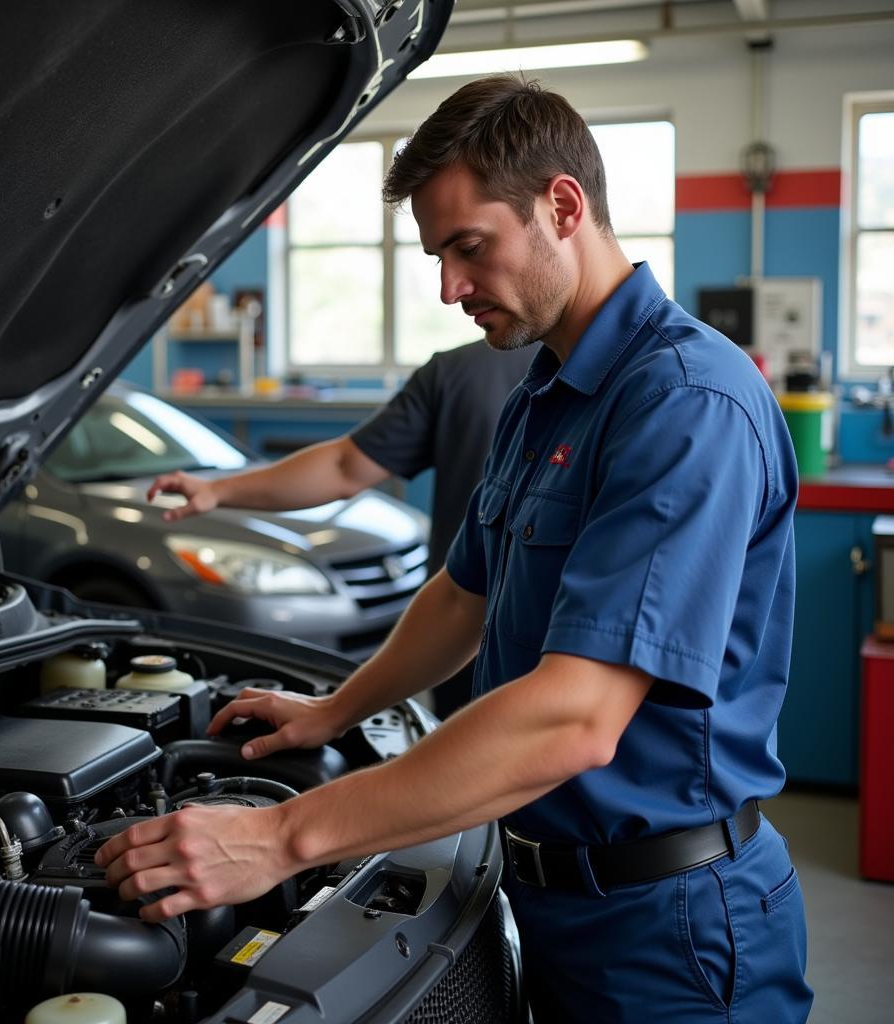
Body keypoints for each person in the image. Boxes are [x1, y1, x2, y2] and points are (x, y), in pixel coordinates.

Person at [97, 74, 813, 1022]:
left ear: (564, 206)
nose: (450, 289)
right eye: (438, 257)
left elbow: (574, 719)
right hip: (545, 897)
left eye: (469, 249)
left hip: (670, 926)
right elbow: (462, 596)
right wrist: (333, 709)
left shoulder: (686, 403)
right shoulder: (546, 391)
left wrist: (280, 838)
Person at [147, 337, 535, 717]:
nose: (451, 291)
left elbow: (342, 467)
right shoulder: (455, 372)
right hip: (459, 635)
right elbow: (345, 465)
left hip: (539, 655)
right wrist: (218, 490)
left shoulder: (580, 391)